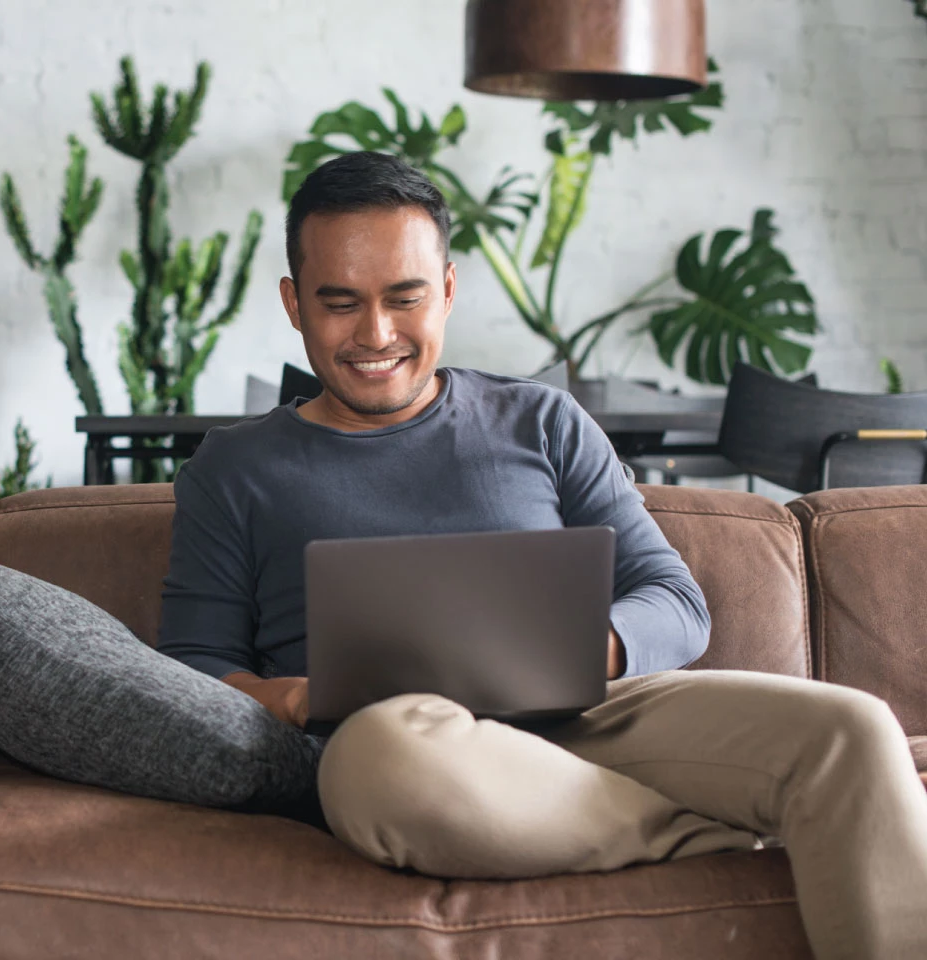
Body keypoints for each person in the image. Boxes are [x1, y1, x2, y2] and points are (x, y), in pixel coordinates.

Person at [152, 150, 927, 959]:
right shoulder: (233, 470)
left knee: (853, 727)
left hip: (590, 719)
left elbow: (674, 600)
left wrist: (590, 647)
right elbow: (191, 671)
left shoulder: (542, 422)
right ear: (294, 303)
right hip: (412, 753)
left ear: (447, 290)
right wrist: (297, 699)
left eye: (405, 298)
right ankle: (713, 837)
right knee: (377, 759)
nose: (375, 334)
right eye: (340, 303)